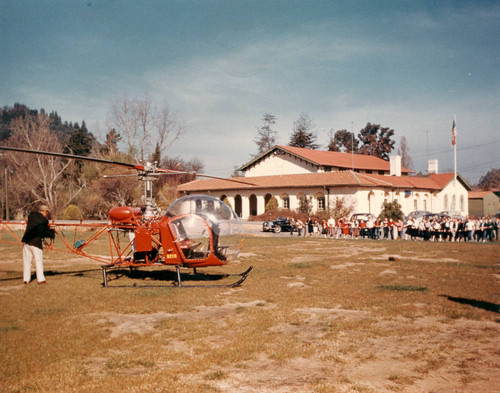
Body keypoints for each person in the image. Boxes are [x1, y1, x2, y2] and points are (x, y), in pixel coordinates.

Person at [21, 204, 55, 284]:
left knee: (27, 261)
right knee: (38, 261)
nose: (47, 214)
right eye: (47, 213)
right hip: (36, 242)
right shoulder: (43, 220)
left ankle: (26, 280)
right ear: (44, 212)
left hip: (26, 241)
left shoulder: (31, 215)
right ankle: (41, 280)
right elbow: (43, 232)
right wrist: (52, 232)